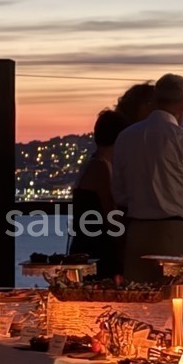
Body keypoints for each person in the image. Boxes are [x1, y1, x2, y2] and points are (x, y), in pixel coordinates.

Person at [112, 73, 183, 283]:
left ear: (156, 99)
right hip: (173, 233)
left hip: (136, 232)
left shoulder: (125, 138)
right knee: (175, 299)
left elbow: (120, 195)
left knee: (139, 301)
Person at [68, 109, 128, 278]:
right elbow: (110, 213)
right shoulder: (102, 167)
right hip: (96, 249)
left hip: (85, 244)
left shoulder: (90, 163)